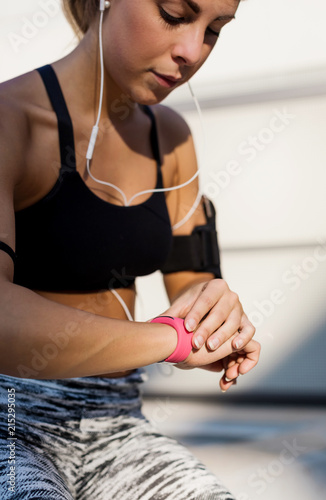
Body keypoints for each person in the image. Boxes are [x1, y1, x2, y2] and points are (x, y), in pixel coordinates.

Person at [0, 0, 260, 498]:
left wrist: (220, 318)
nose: (192, 51)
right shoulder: (11, 121)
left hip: (117, 426)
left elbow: (197, 295)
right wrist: (169, 341)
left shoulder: (173, 140)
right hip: (11, 421)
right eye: (174, 13)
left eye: (215, 30)